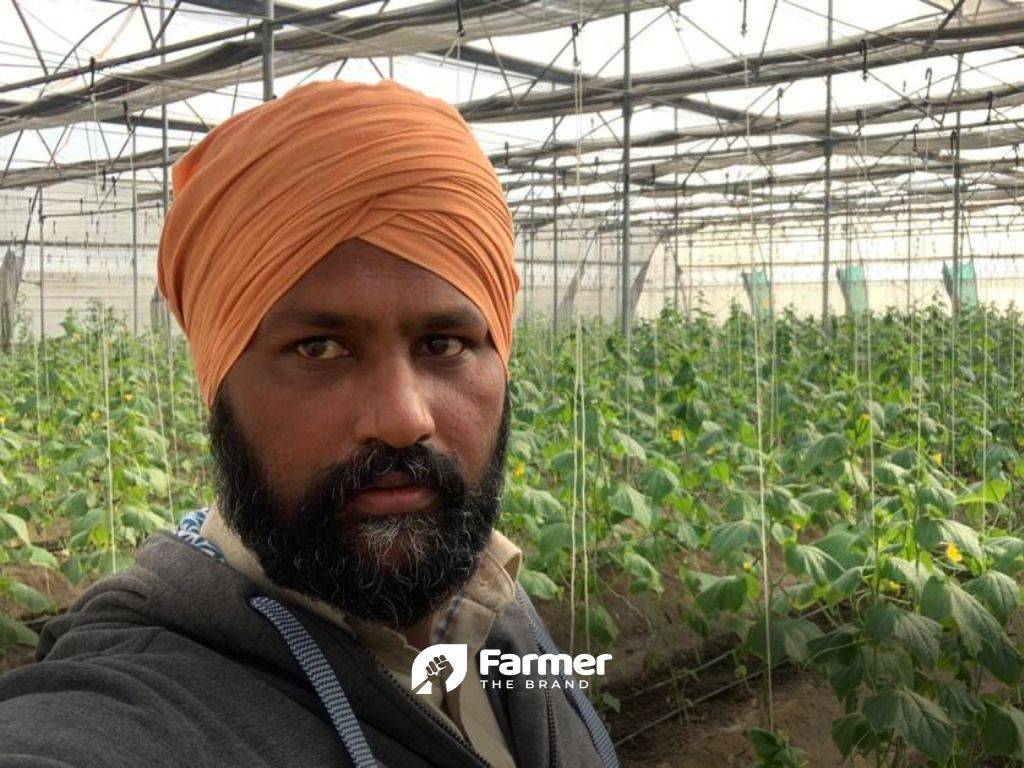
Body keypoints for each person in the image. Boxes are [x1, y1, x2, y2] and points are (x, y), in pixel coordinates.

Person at [0, 80, 618, 768]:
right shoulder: (131, 714)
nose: (402, 419)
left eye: (444, 344)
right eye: (319, 348)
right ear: (218, 386)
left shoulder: (491, 595)